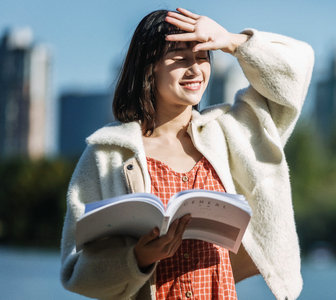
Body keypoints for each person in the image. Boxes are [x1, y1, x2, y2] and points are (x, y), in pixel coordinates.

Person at [60, 7, 314, 300]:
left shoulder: (232, 133)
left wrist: (231, 41)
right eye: (180, 59)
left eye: (203, 56)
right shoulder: (107, 155)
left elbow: (299, 66)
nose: (195, 70)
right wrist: (137, 259)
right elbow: (76, 271)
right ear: (149, 66)